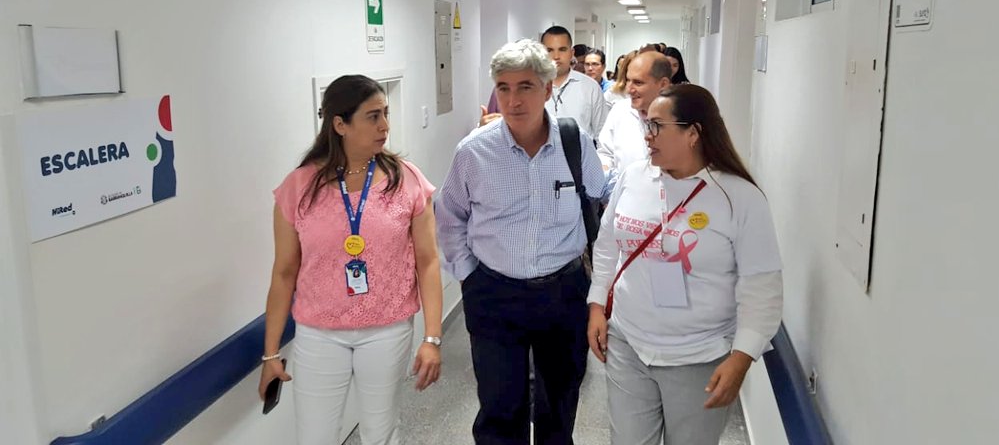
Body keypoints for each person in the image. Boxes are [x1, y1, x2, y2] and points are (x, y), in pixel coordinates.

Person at [586, 84, 783, 445]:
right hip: (629, 343)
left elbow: (762, 286)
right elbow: (607, 244)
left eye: (658, 126)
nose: (648, 135)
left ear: (693, 133)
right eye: (647, 124)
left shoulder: (738, 197)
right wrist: (598, 305)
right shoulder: (634, 177)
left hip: (699, 355)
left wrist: (741, 358)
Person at [436, 39, 605, 445]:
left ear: (548, 89)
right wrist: (468, 275)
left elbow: (599, 196)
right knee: (499, 408)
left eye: (525, 86)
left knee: (559, 404)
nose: (513, 99)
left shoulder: (573, 142)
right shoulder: (473, 153)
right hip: (495, 293)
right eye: (504, 87)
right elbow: (449, 218)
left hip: (563, 292)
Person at [261, 75, 444, 445]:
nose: (385, 126)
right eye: (373, 116)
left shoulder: (405, 180)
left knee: (380, 433)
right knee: (315, 437)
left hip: (387, 329)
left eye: (386, 114)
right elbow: (283, 274)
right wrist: (270, 355)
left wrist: (432, 338)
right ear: (340, 124)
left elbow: (427, 261)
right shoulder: (298, 187)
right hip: (319, 333)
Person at [597, 51, 673, 182]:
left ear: (663, 84)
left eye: (638, 83)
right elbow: (605, 154)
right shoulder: (619, 111)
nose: (629, 89)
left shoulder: (680, 116)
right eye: (628, 81)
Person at [542, 26, 609, 138]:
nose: (556, 56)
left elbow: (602, 136)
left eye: (562, 49)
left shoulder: (590, 87)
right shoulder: (532, 87)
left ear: (571, 53)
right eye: (549, 50)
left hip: (582, 155)